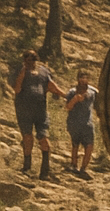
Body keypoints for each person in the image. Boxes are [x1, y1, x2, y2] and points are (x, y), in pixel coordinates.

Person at [9, 49, 64, 180]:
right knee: (28, 138)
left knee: (44, 139)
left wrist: (64, 95)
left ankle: (44, 172)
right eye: (28, 58)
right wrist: (23, 73)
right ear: (24, 59)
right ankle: (26, 167)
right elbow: (17, 89)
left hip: (41, 111)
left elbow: (52, 85)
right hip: (24, 110)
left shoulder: (44, 71)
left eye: (34, 57)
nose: (32, 60)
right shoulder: (19, 71)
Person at [65, 69, 98, 180]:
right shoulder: (72, 91)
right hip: (74, 122)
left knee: (89, 146)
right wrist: (75, 100)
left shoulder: (93, 92)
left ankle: (83, 169)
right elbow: (67, 107)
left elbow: (99, 103)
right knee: (75, 144)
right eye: (81, 77)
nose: (83, 80)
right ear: (78, 79)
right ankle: (73, 165)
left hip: (87, 123)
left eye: (85, 77)